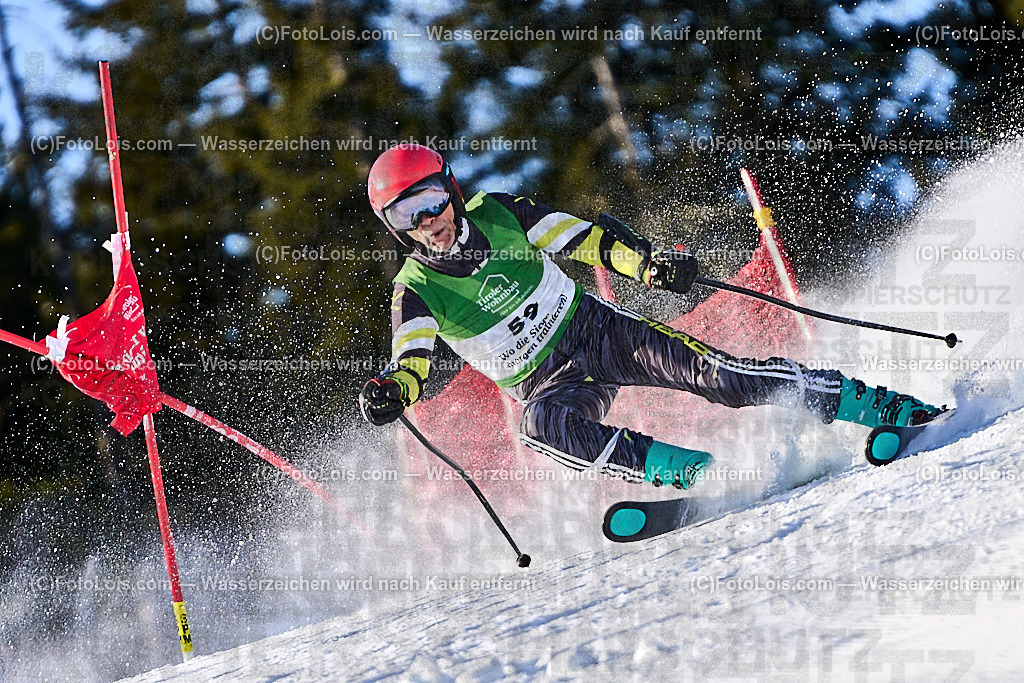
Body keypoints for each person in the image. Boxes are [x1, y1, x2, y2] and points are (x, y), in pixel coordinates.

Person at [358, 143, 942, 489]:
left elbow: (583, 239)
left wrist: (651, 268)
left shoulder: (499, 212)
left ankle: (877, 405)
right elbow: (412, 356)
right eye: (407, 213)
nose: (427, 221)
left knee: (725, 378)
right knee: (542, 430)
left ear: (452, 191)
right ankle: (695, 475)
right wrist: (395, 390)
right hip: (544, 382)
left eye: (431, 200)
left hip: (597, 331)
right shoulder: (415, 288)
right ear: (394, 227)